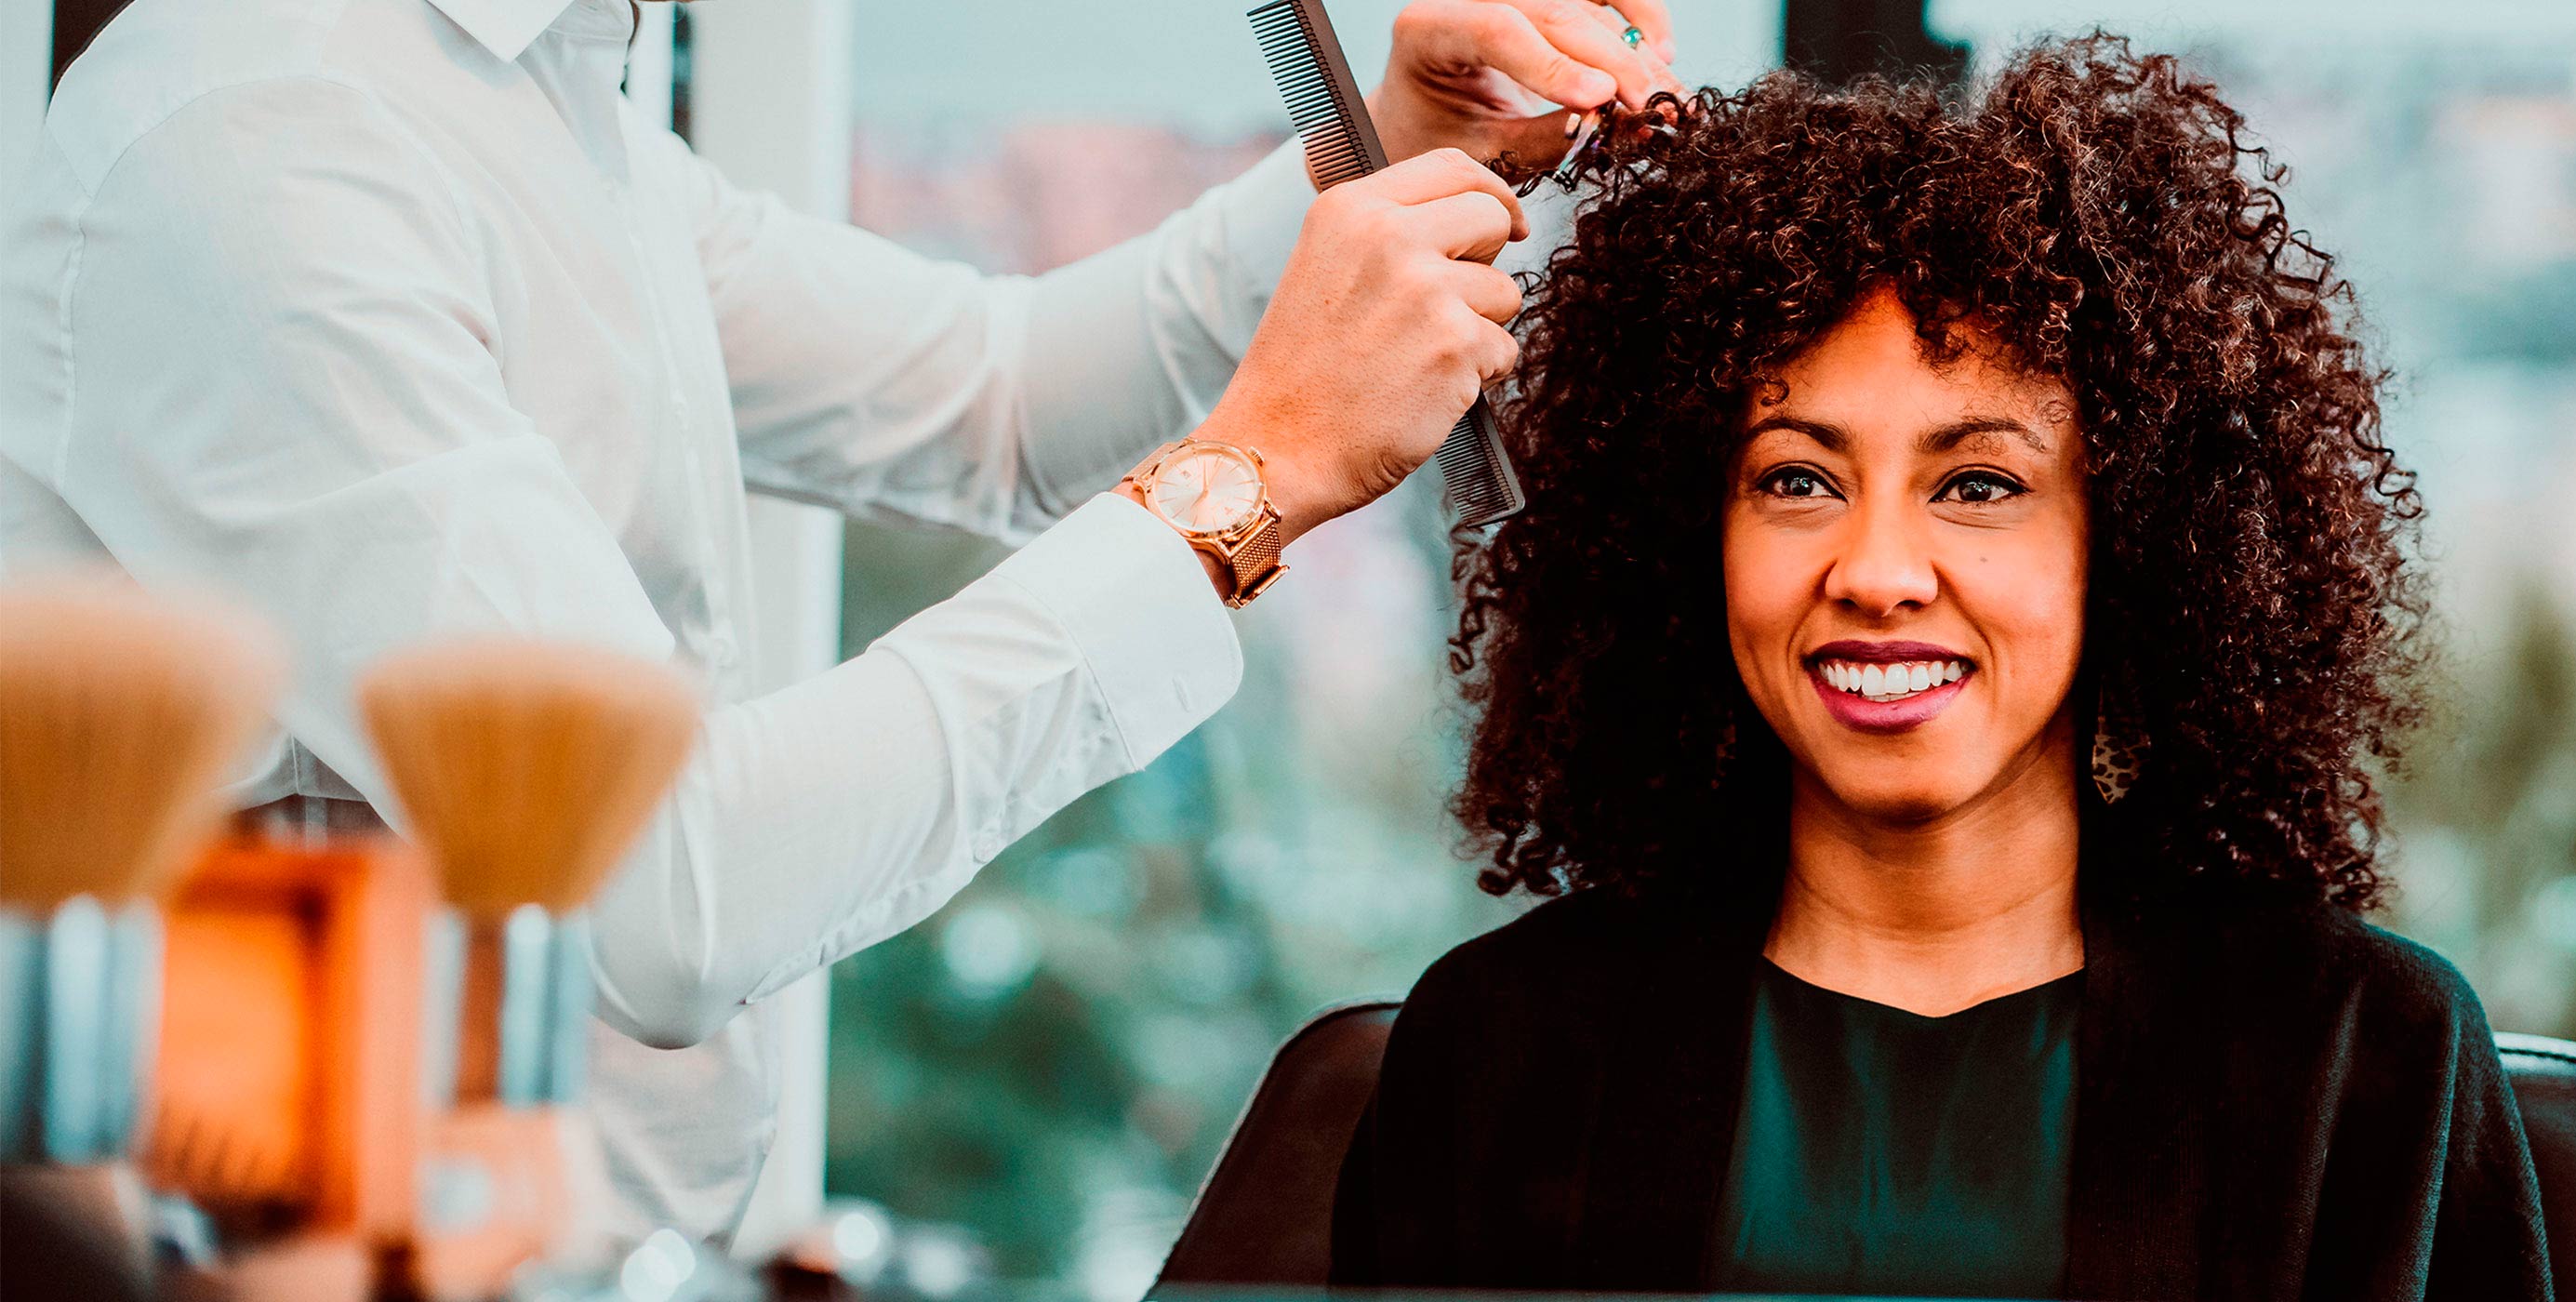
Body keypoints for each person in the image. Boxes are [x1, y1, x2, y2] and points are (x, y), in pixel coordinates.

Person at [0, 0, 1681, 1242]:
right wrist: (1249, 483)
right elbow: (664, 887)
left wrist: (1381, 144)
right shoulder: (261, 144)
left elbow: (996, 400)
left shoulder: (544, 103)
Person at [1332, 34, 2555, 1300]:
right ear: (1691, 534)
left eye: (1979, 485)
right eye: (1797, 480)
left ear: (2131, 540)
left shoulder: (2355, 1051)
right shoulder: (1504, 1045)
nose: (1877, 571)